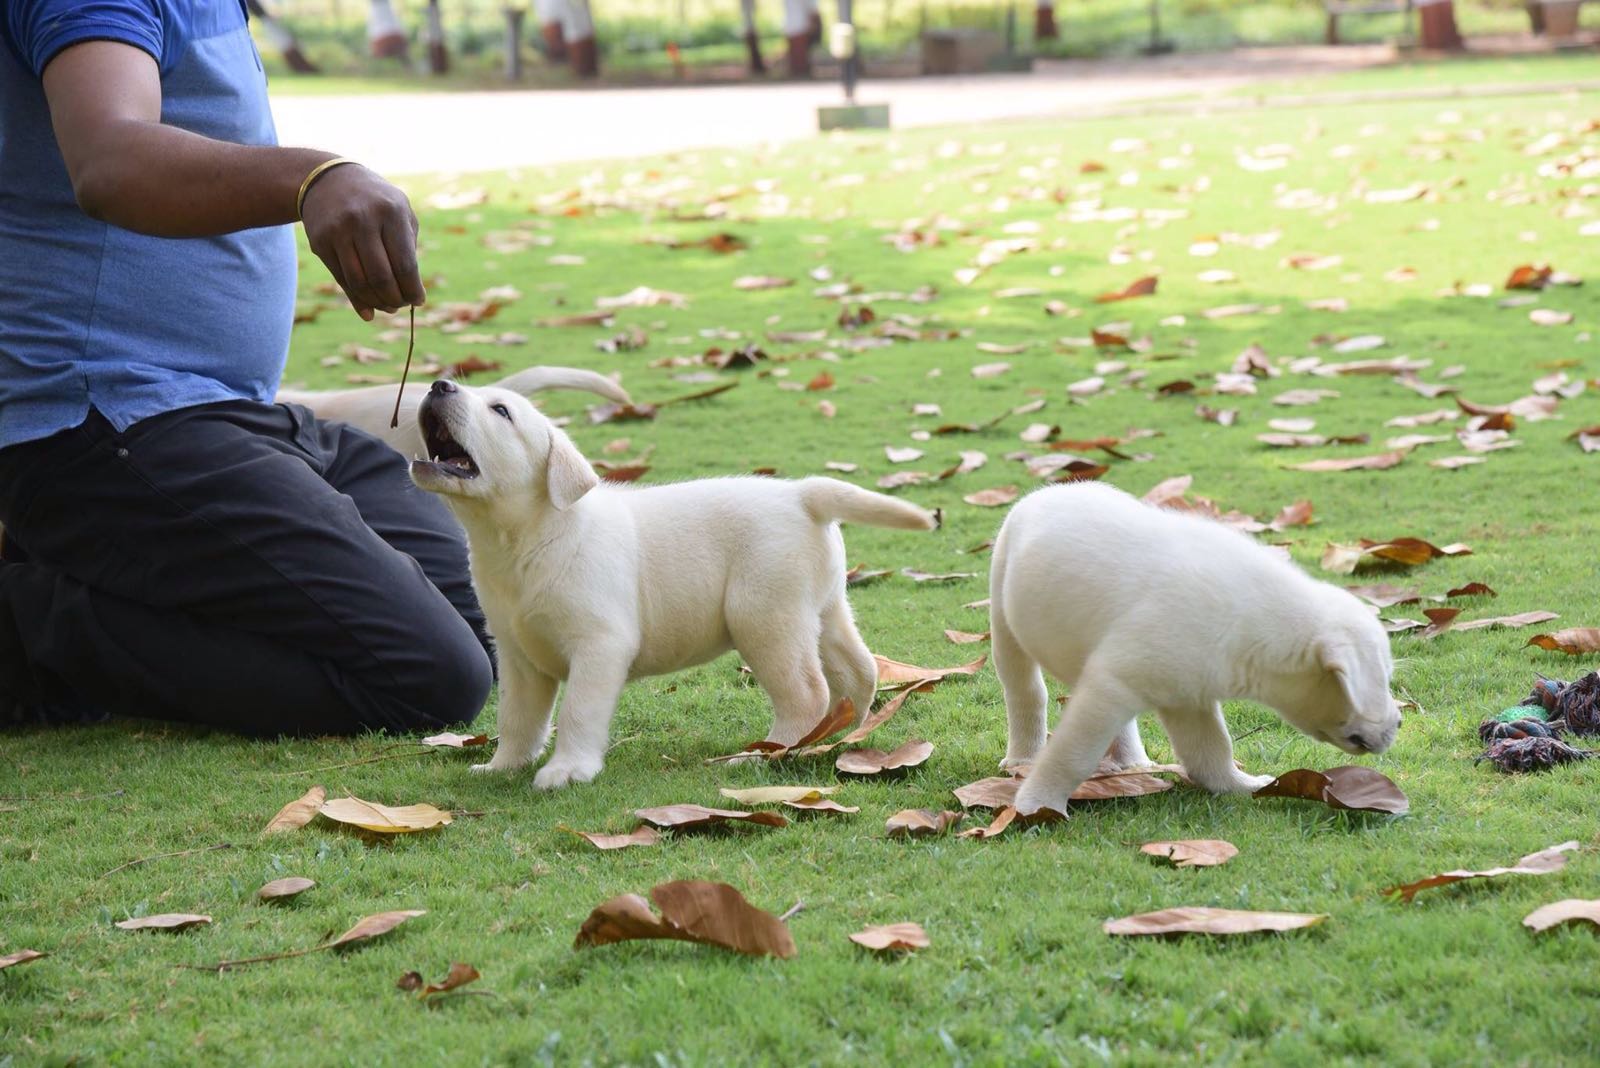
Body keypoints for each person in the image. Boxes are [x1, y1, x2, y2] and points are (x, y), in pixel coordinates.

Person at [0, 0, 493, 735]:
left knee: (487, 623)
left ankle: (119, 592)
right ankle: (23, 624)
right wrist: (316, 177)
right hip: (106, 423)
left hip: (236, 420)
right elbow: (109, 156)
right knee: (429, 677)